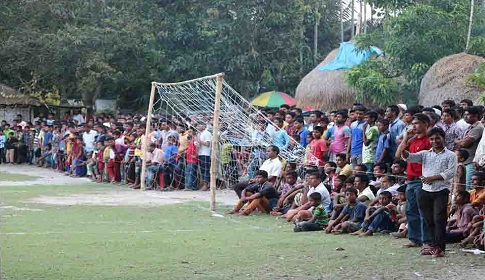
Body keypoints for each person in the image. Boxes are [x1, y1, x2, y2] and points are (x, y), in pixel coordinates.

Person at [402, 127, 457, 257]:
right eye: (431, 139)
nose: (434, 141)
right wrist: (406, 140)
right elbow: (408, 157)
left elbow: (450, 173)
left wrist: (432, 178)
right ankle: (432, 245)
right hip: (425, 191)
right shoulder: (425, 154)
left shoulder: (451, 155)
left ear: (443, 138)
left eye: (437, 138)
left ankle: (440, 248)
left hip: (441, 190)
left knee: (439, 219)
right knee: (428, 220)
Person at [396, 113, 432, 249]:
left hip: (422, 179)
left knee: (423, 211)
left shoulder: (429, 140)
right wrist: (406, 137)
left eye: (416, 123)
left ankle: (426, 240)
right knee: (411, 210)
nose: (414, 126)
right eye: (413, 124)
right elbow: (398, 155)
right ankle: (414, 238)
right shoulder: (412, 140)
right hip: (410, 179)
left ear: (425, 124)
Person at [456, 106, 483, 190]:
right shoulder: (469, 127)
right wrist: (460, 142)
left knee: (469, 187)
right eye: (465, 114)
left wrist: (459, 142)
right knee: (462, 186)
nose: (465, 116)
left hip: (471, 161)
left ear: (475, 116)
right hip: (465, 161)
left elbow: (464, 143)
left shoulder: (478, 128)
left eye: (468, 115)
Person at [196, 122, 212, 191]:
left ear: (203, 126)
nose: (197, 127)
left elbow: (208, 144)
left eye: (199, 126)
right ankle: (206, 184)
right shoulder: (200, 134)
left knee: (206, 170)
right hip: (200, 154)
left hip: (206, 154)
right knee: (202, 170)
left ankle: (206, 185)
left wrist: (200, 141)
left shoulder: (207, 133)